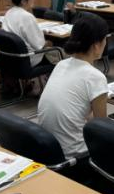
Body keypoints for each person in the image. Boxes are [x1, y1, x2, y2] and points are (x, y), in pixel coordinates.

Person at [38, 13, 109, 180]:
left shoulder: (61, 64)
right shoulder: (95, 77)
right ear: (96, 45)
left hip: (47, 149)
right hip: (75, 157)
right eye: (105, 39)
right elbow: (101, 129)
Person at [2, 0, 53, 67]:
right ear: (23, 2)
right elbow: (39, 46)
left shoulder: (9, 12)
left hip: (12, 58)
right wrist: (50, 42)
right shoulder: (27, 17)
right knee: (60, 50)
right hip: (30, 59)